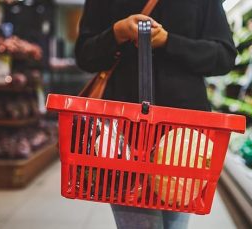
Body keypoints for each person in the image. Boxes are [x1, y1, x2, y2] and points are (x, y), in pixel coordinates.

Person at [75, 0, 236, 228]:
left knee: (174, 223)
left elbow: (225, 56)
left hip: (185, 140)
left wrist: (169, 42)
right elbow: (84, 55)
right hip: (123, 139)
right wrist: (117, 32)